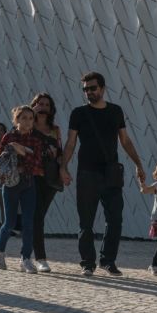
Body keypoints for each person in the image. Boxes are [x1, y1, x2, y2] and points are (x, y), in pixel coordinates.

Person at [60, 71, 146, 276]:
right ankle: (87, 263)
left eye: (92, 88)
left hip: (111, 172)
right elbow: (71, 143)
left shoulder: (115, 111)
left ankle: (108, 260)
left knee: (115, 219)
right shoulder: (78, 113)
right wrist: (63, 167)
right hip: (87, 172)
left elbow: (124, 140)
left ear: (103, 88)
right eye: (85, 89)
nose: (89, 92)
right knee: (86, 222)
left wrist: (138, 164)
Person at [0, 106, 48, 273]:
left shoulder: (36, 140)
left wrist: (19, 148)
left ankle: (25, 258)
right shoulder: (9, 137)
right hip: (10, 183)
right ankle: (0, 252)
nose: (28, 121)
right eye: (24, 118)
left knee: (29, 222)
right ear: (16, 120)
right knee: (10, 222)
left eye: (31, 118)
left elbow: (37, 163)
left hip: (28, 183)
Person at [30, 93, 63, 272]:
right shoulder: (26, 126)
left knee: (39, 216)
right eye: (39, 104)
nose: (43, 107)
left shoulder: (55, 129)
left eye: (46, 105)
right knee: (36, 216)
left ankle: (27, 254)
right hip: (32, 175)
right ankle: (40, 258)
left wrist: (63, 171)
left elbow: (60, 152)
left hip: (50, 177)